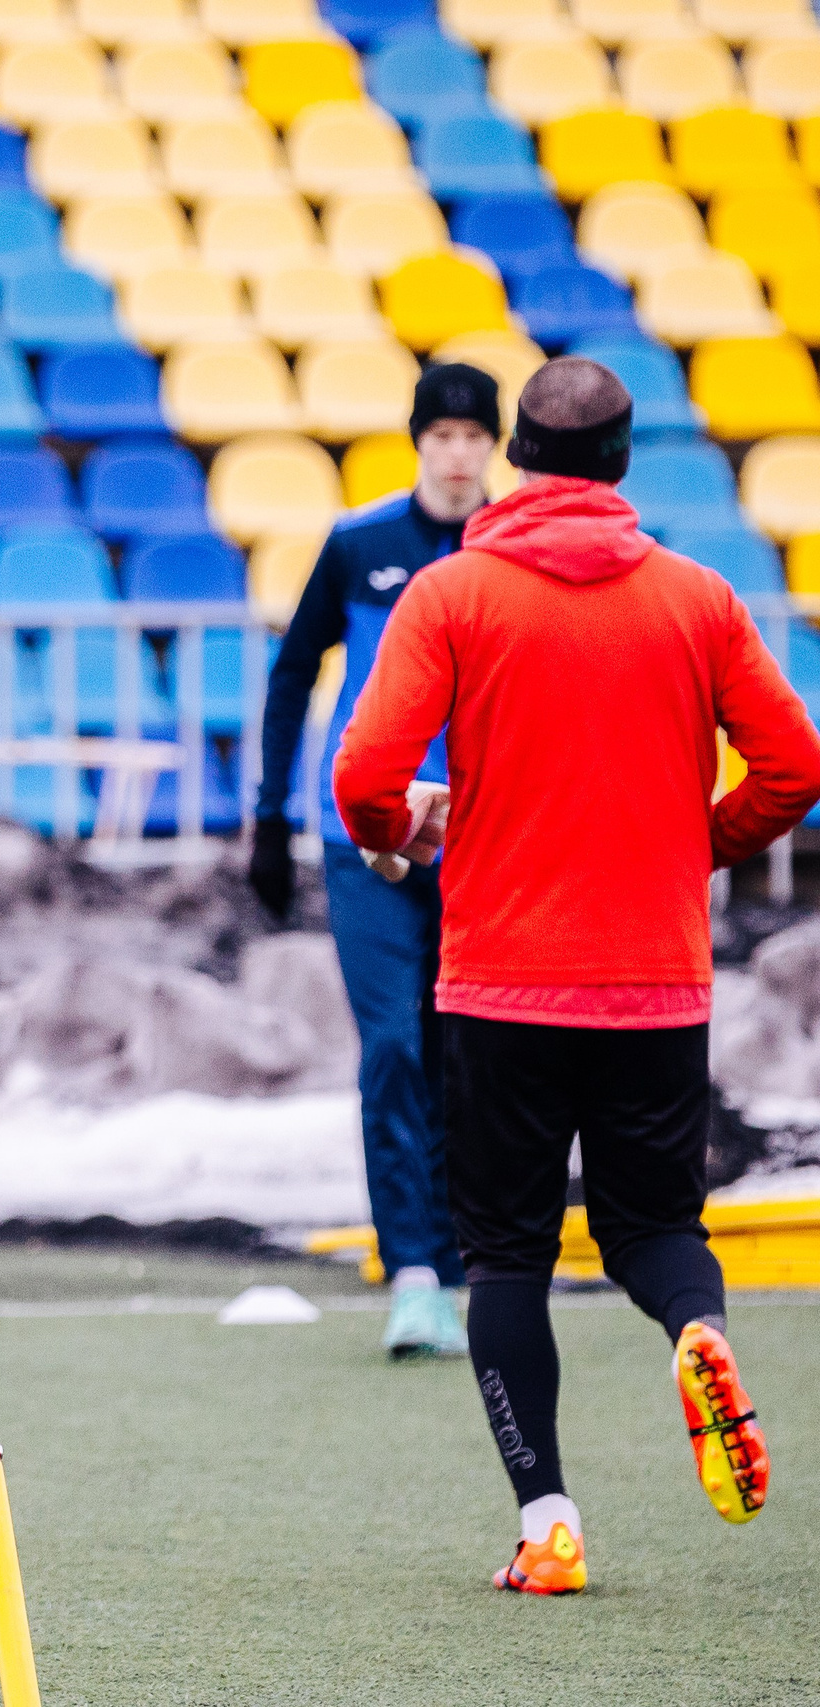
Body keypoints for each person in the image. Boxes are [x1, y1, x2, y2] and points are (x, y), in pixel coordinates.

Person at [335, 356, 820, 1594]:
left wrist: (403, 836)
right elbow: (793, 766)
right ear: (620, 462)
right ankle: (696, 1331)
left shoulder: (451, 596)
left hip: (498, 985)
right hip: (655, 981)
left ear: (518, 458)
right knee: (656, 1228)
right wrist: (690, 844)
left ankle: (547, 1520)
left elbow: (361, 783)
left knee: (502, 1253)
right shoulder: (700, 599)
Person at [248, 364, 500, 1361]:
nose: (454, 450)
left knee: (471, 1053)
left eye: (472, 433)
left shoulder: (510, 549)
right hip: (370, 834)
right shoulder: (359, 545)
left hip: (487, 836)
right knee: (393, 1045)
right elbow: (291, 670)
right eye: (438, 432)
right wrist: (266, 818)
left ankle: (470, 1254)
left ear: (493, 446)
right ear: (417, 442)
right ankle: (415, 1275)